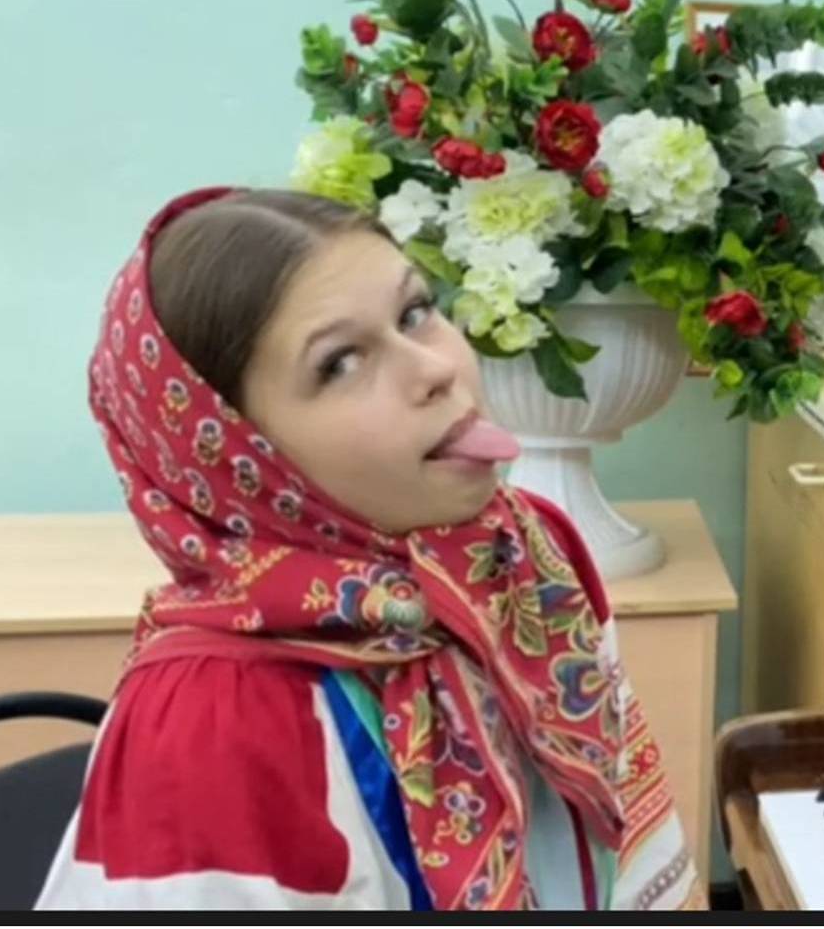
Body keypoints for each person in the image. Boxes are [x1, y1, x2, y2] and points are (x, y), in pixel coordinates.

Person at [37, 188, 698, 911]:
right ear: (238, 459)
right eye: (341, 363)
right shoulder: (216, 727)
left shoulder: (525, 550)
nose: (435, 370)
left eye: (415, 312)